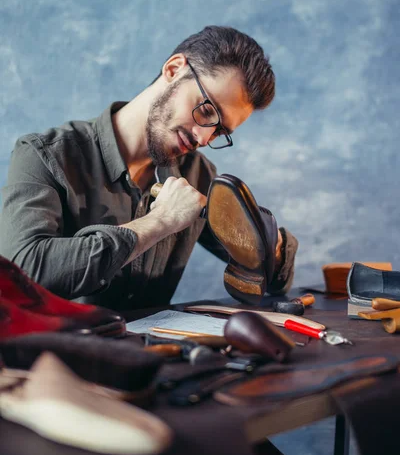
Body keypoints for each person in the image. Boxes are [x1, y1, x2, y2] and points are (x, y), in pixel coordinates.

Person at [0, 26, 297, 310]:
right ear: (173, 69)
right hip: (54, 359)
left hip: (155, 357)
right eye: (206, 110)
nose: (203, 137)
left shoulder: (198, 176)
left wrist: (270, 241)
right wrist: (160, 222)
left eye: (220, 131)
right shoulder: (44, 155)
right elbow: (23, 271)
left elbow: (273, 284)